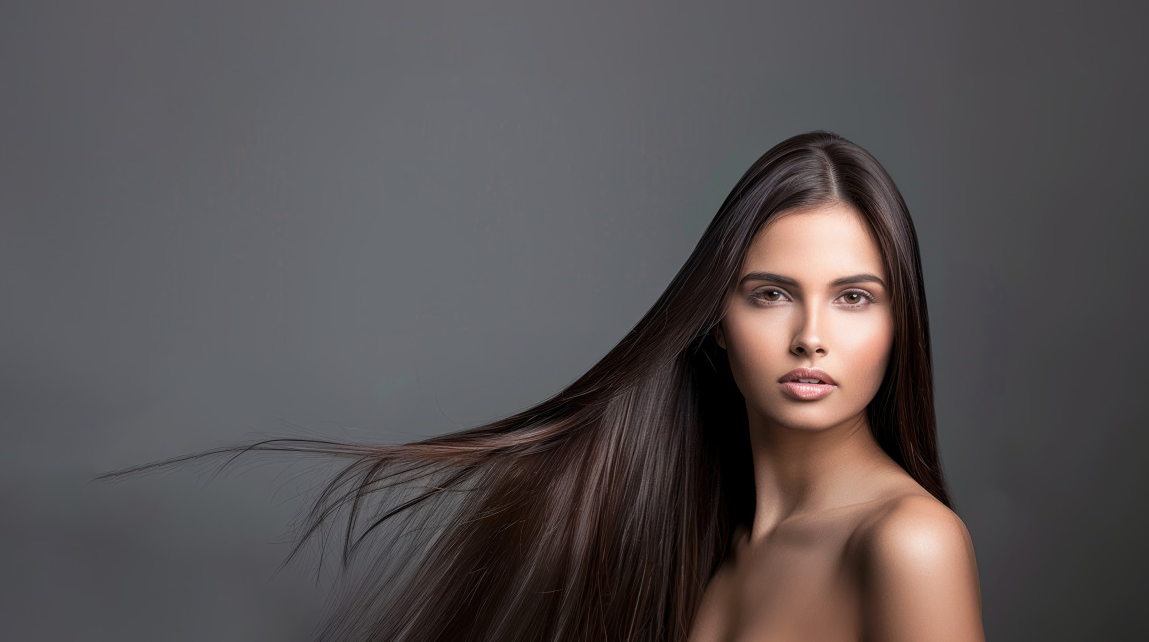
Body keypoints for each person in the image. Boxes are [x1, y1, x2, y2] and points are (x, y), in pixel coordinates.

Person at [105, 131, 985, 641]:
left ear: (899, 323)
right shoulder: (695, 531)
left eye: (855, 298)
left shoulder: (909, 544)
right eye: (771, 293)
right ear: (716, 320)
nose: (811, 335)